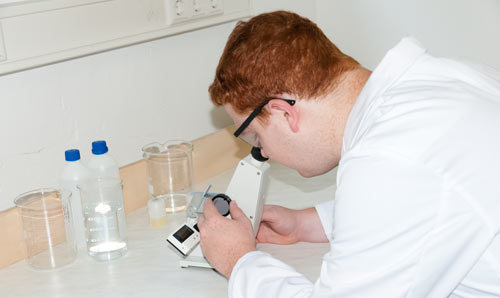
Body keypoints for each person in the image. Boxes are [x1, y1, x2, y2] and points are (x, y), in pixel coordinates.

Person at [197, 10, 500, 298]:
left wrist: (238, 260)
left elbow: (401, 181)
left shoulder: (389, 158)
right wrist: (309, 223)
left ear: (284, 113)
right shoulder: (447, 78)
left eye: (255, 137)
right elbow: (429, 202)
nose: (262, 151)